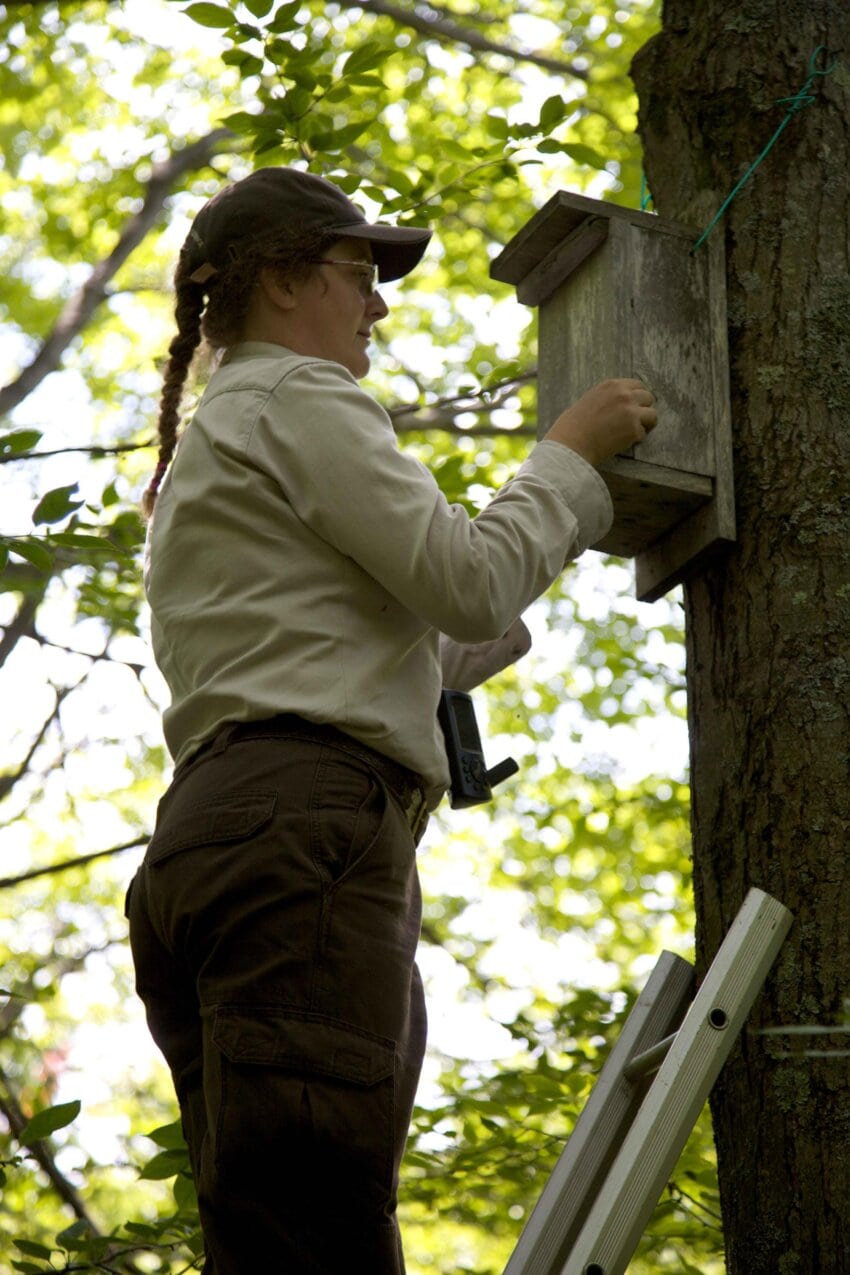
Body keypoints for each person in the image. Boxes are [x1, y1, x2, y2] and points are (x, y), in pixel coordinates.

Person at [126, 166, 656, 1274]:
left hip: (220, 836)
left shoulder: (218, 443)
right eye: (358, 274)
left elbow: (391, 635)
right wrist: (569, 458)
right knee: (316, 1222)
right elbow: (463, 581)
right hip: (303, 831)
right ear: (282, 282)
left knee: (268, 1219)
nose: (377, 306)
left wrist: (490, 614)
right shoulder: (296, 396)